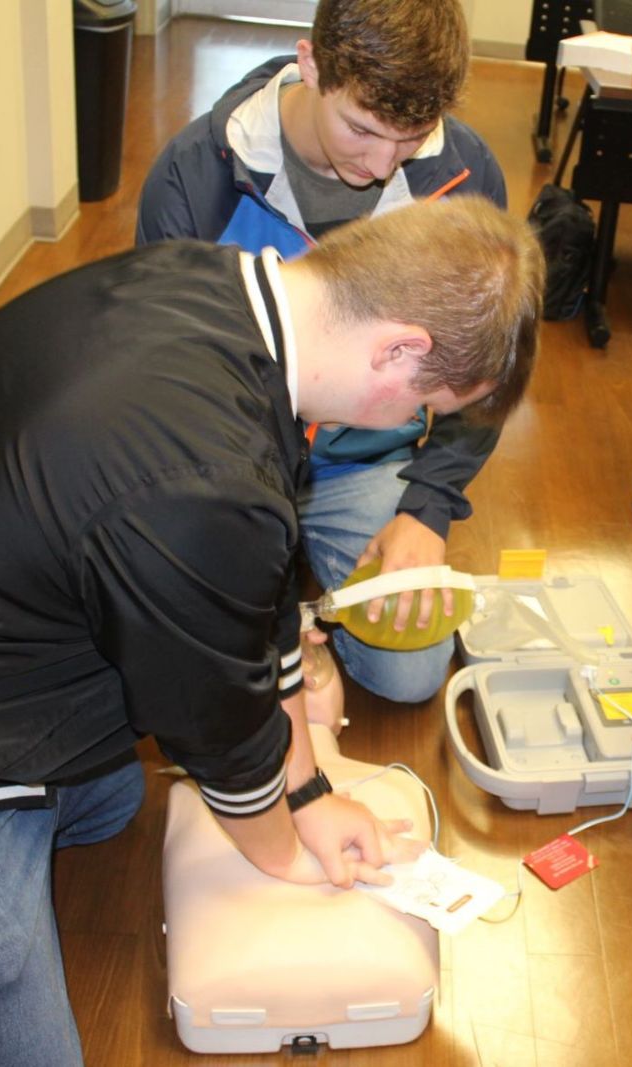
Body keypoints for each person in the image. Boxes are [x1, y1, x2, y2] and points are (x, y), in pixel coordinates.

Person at [0, 197, 543, 1067]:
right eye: (427, 404)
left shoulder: (226, 293)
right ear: (401, 347)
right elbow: (218, 726)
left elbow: (259, 607)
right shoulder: (203, 476)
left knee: (114, 802)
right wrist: (285, 847)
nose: (410, 424)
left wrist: (313, 791)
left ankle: (21, 818)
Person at [136, 0, 506, 705]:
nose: (380, 164)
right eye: (361, 129)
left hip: (361, 459)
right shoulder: (193, 176)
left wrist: (426, 508)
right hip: (229, 470)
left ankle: (315, 562)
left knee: (411, 674)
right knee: (185, 671)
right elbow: (161, 388)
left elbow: (479, 366)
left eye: (412, 139)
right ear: (310, 64)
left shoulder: (465, 176)